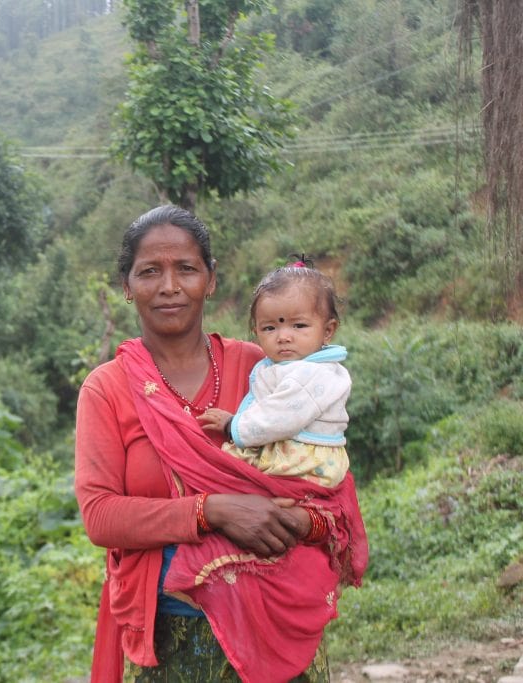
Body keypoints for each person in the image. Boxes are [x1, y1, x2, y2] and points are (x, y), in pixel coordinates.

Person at [74, 205, 368, 683]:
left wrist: (297, 520)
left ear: (210, 279)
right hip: (172, 637)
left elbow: (326, 484)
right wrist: (212, 511)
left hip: (278, 622)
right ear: (127, 287)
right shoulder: (108, 389)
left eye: (186, 268)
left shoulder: (264, 368)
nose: (169, 285)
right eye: (150, 271)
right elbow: (101, 515)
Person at [197, 260, 351, 489]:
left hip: (303, 458)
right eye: (270, 328)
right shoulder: (281, 366)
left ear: (328, 330)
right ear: (255, 331)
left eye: (298, 326)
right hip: (289, 450)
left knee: (225, 475)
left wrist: (233, 425)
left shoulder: (313, 374)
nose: (283, 337)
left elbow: (280, 416)